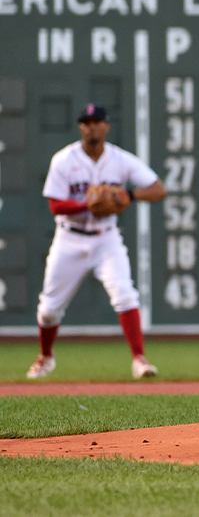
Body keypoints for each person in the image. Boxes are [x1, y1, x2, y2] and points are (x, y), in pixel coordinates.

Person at [26, 104, 168, 379]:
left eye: (96, 121)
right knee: (49, 310)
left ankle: (139, 359)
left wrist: (130, 195)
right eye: (86, 122)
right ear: (81, 127)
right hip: (69, 239)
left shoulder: (120, 159)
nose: (91, 126)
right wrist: (88, 205)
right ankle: (45, 357)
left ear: (107, 126)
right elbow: (55, 206)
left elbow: (158, 189)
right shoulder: (64, 159)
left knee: (125, 294)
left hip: (106, 239)